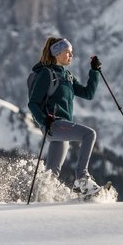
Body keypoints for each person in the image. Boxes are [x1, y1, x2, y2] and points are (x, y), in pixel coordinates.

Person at [27, 36, 103, 195]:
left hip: (62, 126)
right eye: (67, 52)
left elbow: (88, 94)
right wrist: (43, 120)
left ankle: (43, 196)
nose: (71, 55)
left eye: (71, 52)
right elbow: (33, 103)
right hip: (54, 124)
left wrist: (94, 71)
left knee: (51, 174)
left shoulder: (68, 75)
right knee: (89, 134)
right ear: (56, 53)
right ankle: (82, 179)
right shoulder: (46, 74)